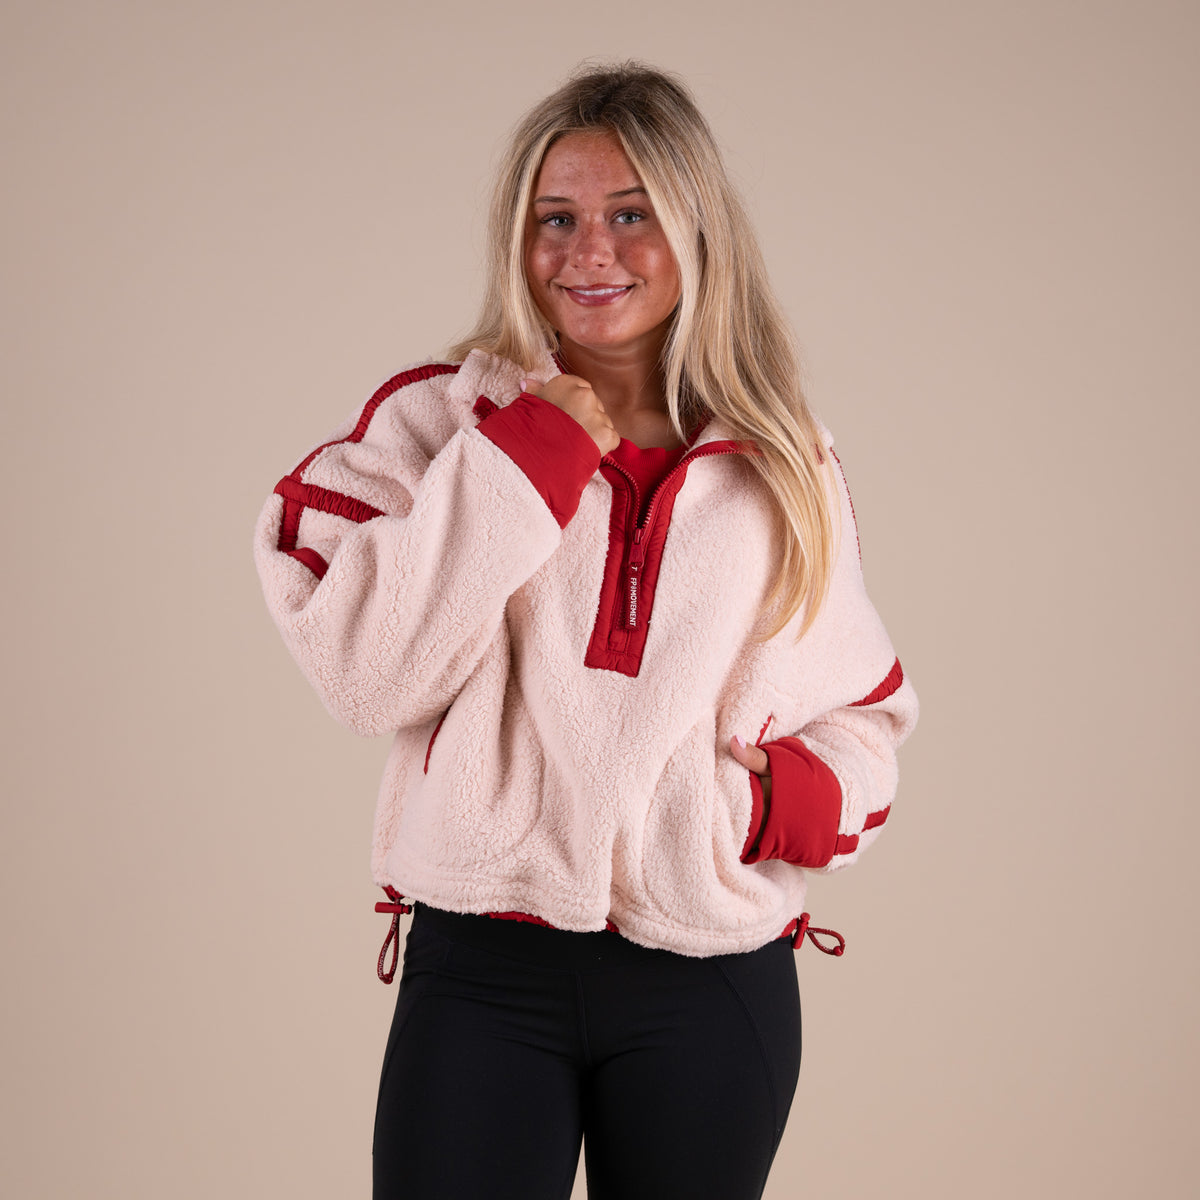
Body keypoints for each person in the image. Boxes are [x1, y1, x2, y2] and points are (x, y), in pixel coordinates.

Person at [255, 61, 917, 1200]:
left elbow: (865, 707)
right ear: (518, 239)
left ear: (696, 227)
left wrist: (782, 803)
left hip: (708, 975)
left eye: (629, 215)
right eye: (554, 220)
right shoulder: (439, 421)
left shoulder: (782, 455)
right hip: (484, 964)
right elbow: (363, 674)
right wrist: (518, 465)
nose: (587, 252)